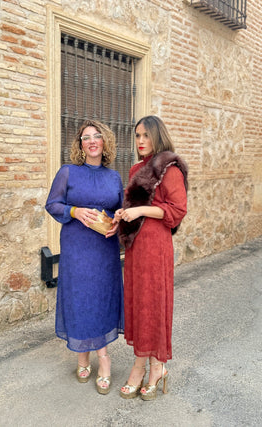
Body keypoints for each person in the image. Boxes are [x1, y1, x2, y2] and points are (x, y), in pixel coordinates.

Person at [45, 119, 124, 395]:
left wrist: (116, 223)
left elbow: (121, 210)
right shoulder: (67, 172)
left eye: (96, 136)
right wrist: (75, 212)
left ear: (105, 143)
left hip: (104, 249)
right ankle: (83, 357)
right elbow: (52, 204)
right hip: (77, 247)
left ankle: (102, 358)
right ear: (80, 145)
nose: (91, 141)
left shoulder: (113, 177)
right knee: (79, 298)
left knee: (100, 298)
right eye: (85, 137)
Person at [115, 115, 188, 400]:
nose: (141, 141)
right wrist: (124, 213)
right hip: (136, 248)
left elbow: (177, 210)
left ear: (158, 136)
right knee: (139, 302)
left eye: (146, 135)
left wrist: (141, 211)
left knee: (153, 303)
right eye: (137, 136)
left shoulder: (169, 169)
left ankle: (149, 367)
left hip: (156, 246)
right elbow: (133, 205)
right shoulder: (136, 168)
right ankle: (151, 365)